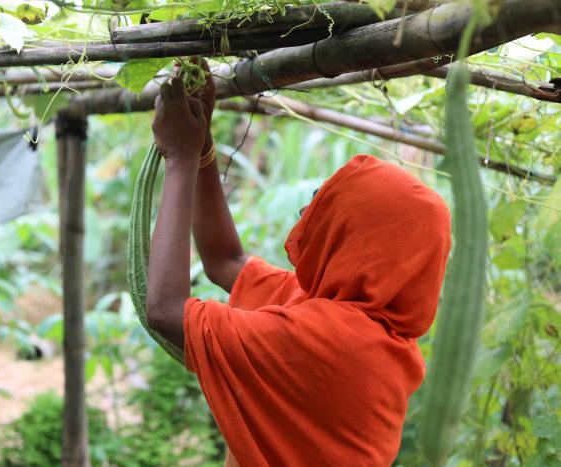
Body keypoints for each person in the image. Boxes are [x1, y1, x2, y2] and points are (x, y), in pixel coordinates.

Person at [145, 63, 452, 466]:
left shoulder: (341, 344)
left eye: (326, 204)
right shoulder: (351, 318)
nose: (307, 208)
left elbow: (166, 312)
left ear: (359, 241)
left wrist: (179, 159)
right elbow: (224, 262)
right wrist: (201, 148)